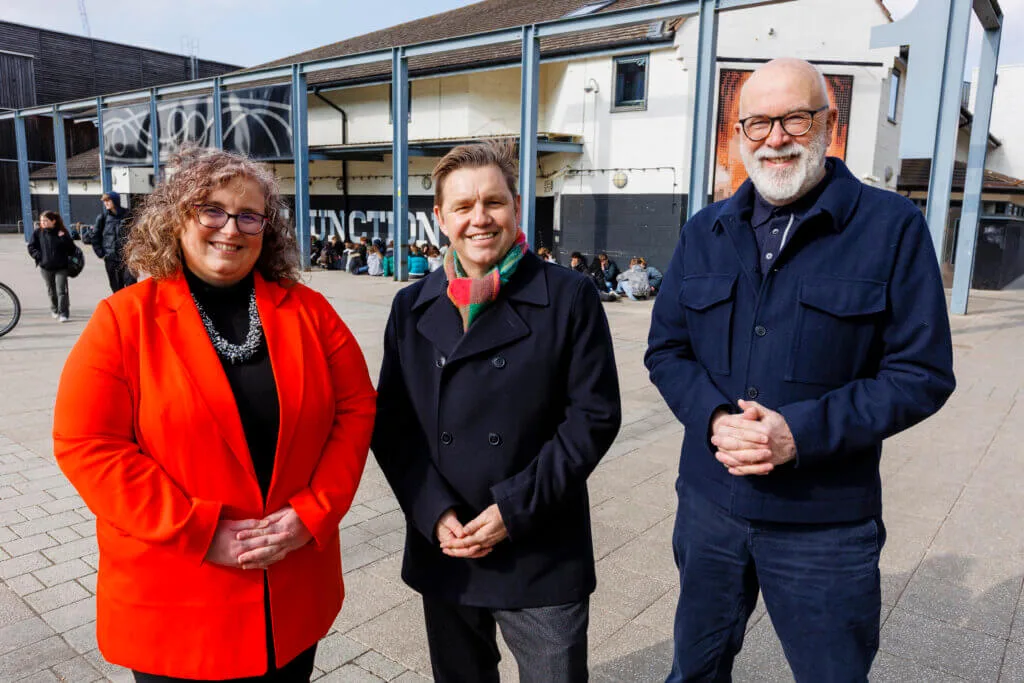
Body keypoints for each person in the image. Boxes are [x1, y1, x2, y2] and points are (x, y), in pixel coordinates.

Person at [645, 58, 955, 683]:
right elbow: (666, 350)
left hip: (826, 522)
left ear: (828, 123)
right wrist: (712, 418)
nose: (776, 138)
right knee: (694, 671)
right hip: (710, 508)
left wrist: (799, 434)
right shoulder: (703, 231)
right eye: (757, 123)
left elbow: (921, 373)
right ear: (738, 134)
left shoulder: (892, 228)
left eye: (794, 118)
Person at [52, 146, 377, 682]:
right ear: (177, 217)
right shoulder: (123, 320)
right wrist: (198, 531)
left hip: (289, 593)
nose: (231, 227)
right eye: (212, 210)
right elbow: (87, 445)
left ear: (265, 229)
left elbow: (356, 406)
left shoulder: (309, 312)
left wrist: (314, 512)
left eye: (249, 214)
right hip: (179, 599)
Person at [372, 141, 621, 683]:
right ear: (439, 218)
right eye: (462, 207)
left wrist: (512, 510)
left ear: (516, 206)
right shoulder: (410, 306)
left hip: (539, 541)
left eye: (494, 202)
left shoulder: (569, 296)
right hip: (449, 543)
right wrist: (434, 512)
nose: (479, 219)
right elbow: (392, 426)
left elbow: (593, 418)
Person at [27, 210, 76, 322]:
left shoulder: (62, 232)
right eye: (41, 221)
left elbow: (71, 249)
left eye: (46, 220)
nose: (43, 223)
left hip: (61, 267)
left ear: (53, 221)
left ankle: (63, 313)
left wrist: (63, 238)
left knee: (61, 291)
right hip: (45, 267)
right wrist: (38, 256)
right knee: (51, 290)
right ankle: (54, 309)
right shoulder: (38, 233)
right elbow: (31, 247)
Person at [92, 191, 137, 293]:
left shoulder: (128, 215)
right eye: (104, 201)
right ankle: (121, 308)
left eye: (108, 200)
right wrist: (101, 253)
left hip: (127, 258)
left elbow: (137, 233)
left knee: (131, 284)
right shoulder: (102, 218)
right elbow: (95, 237)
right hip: (111, 259)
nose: (106, 203)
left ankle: (131, 307)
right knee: (117, 288)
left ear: (116, 201)